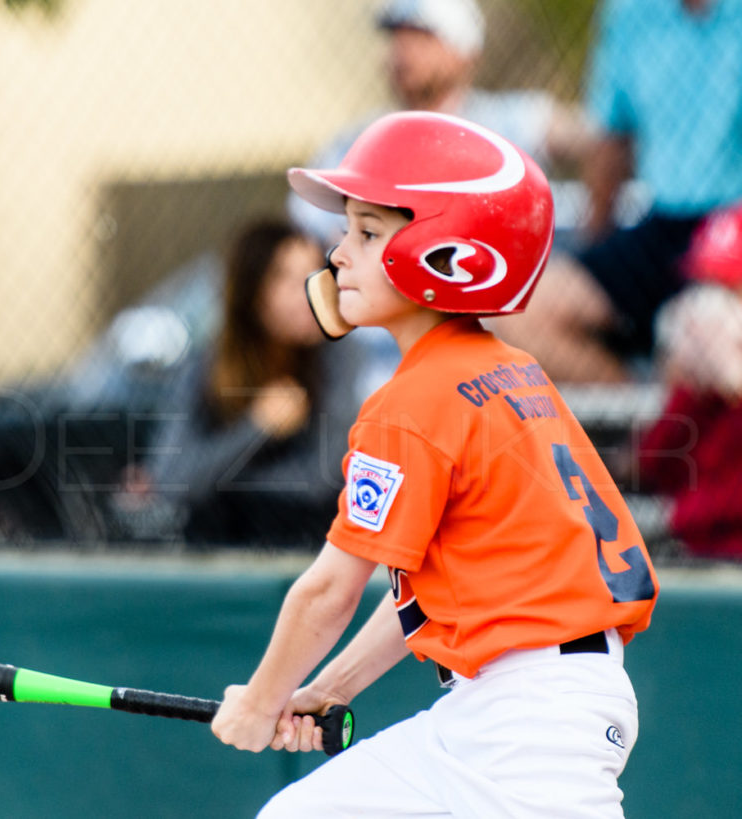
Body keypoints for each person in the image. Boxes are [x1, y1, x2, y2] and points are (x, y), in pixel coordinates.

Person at [211, 112, 659, 817]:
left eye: (368, 231)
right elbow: (422, 593)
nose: (338, 254)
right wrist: (330, 687)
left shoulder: (412, 401)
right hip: (508, 705)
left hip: (529, 724)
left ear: (447, 253)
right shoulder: (509, 370)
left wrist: (259, 701)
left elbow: (326, 592)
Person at [498, 0, 742, 382]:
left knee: (702, 332)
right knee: (516, 313)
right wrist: (595, 244)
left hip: (733, 226)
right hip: (662, 225)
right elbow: (612, 142)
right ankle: (644, 424)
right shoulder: (630, 12)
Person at [116, 219, 359, 548]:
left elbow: (318, 480)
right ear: (251, 290)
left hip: (311, 548)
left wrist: (214, 484)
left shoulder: (340, 353)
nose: (308, 293)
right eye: (286, 279)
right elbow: (171, 480)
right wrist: (256, 428)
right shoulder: (208, 364)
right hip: (226, 552)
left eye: (315, 274)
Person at [288, 0, 594, 250]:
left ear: (465, 52)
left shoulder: (507, 120)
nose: (403, 51)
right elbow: (304, 223)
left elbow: (591, 138)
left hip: (494, 318)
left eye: (421, 37)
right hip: (377, 321)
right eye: (397, 38)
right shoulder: (359, 139)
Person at [636, 202, 742, 560]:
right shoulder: (698, 387)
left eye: (729, 290)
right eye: (704, 284)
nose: (709, 305)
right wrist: (683, 383)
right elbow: (655, 464)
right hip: (700, 550)